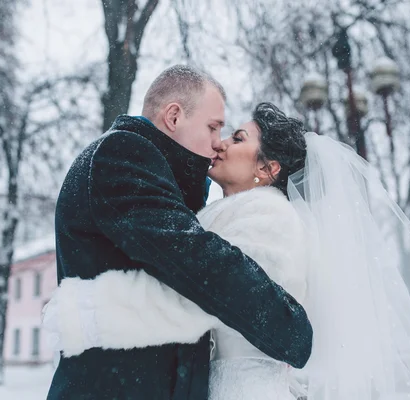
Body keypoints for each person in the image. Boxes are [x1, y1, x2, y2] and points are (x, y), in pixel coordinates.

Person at [44, 102, 410, 400]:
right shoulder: (236, 212)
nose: (219, 143)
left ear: (267, 168)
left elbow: (203, 297)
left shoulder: (269, 219)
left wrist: (87, 313)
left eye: (235, 137)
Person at [45, 66, 313, 400]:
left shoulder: (180, 183)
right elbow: (196, 260)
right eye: (213, 127)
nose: (218, 143)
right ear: (174, 116)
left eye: (230, 134)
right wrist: (288, 327)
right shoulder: (124, 153)